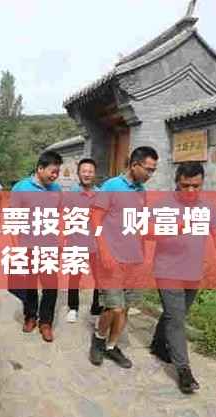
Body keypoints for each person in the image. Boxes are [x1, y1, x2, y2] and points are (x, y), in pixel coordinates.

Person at [149, 162, 216, 394]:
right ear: (177, 183)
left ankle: (158, 344)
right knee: (177, 319)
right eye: (185, 185)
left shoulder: (207, 207)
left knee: (176, 313)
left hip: (193, 272)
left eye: (196, 186)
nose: (191, 190)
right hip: (167, 270)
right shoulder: (163, 205)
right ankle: (184, 371)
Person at [90, 146, 159, 368]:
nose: (150, 174)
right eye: (148, 169)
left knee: (126, 307)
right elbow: (95, 219)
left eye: (154, 170)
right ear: (135, 165)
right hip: (111, 259)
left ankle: (112, 346)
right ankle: (98, 340)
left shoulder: (141, 191)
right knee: (114, 307)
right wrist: (104, 252)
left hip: (134, 260)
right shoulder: (111, 186)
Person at [10, 151, 63, 342]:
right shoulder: (21, 188)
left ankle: (46, 322)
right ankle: (30, 316)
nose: (55, 176)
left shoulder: (56, 189)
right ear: (40, 168)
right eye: (52, 171)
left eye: (57, 172)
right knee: (29, 283)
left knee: (51, 286)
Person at [66, 158, 103, 323]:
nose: (87, 174)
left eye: (90, 171)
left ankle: (96, 308)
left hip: (96, 244)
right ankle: (73, 308)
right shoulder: (71, 193)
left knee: (99, 278)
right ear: (78, 173)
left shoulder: (100, 194)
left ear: (94, 174)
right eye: (84, 171)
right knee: (74, 277)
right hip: (76, 242)